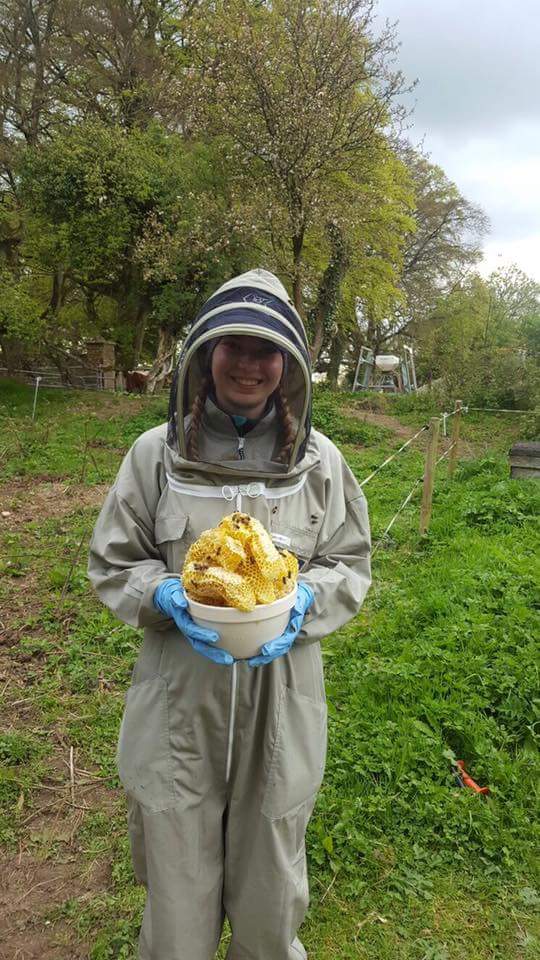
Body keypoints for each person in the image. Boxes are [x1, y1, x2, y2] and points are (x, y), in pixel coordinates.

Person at [88, 268, 371, 960]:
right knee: (176, 904)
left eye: (266, 349)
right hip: (177, 707)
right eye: (233, 346)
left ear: (290, 364)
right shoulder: (154, 457)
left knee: (270, 899)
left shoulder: (321, 464)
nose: (248, 364)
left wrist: (306, 601)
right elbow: (114, 561)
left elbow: (349, 562)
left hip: (283, 707)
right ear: (203, 354)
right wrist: (163, 595)